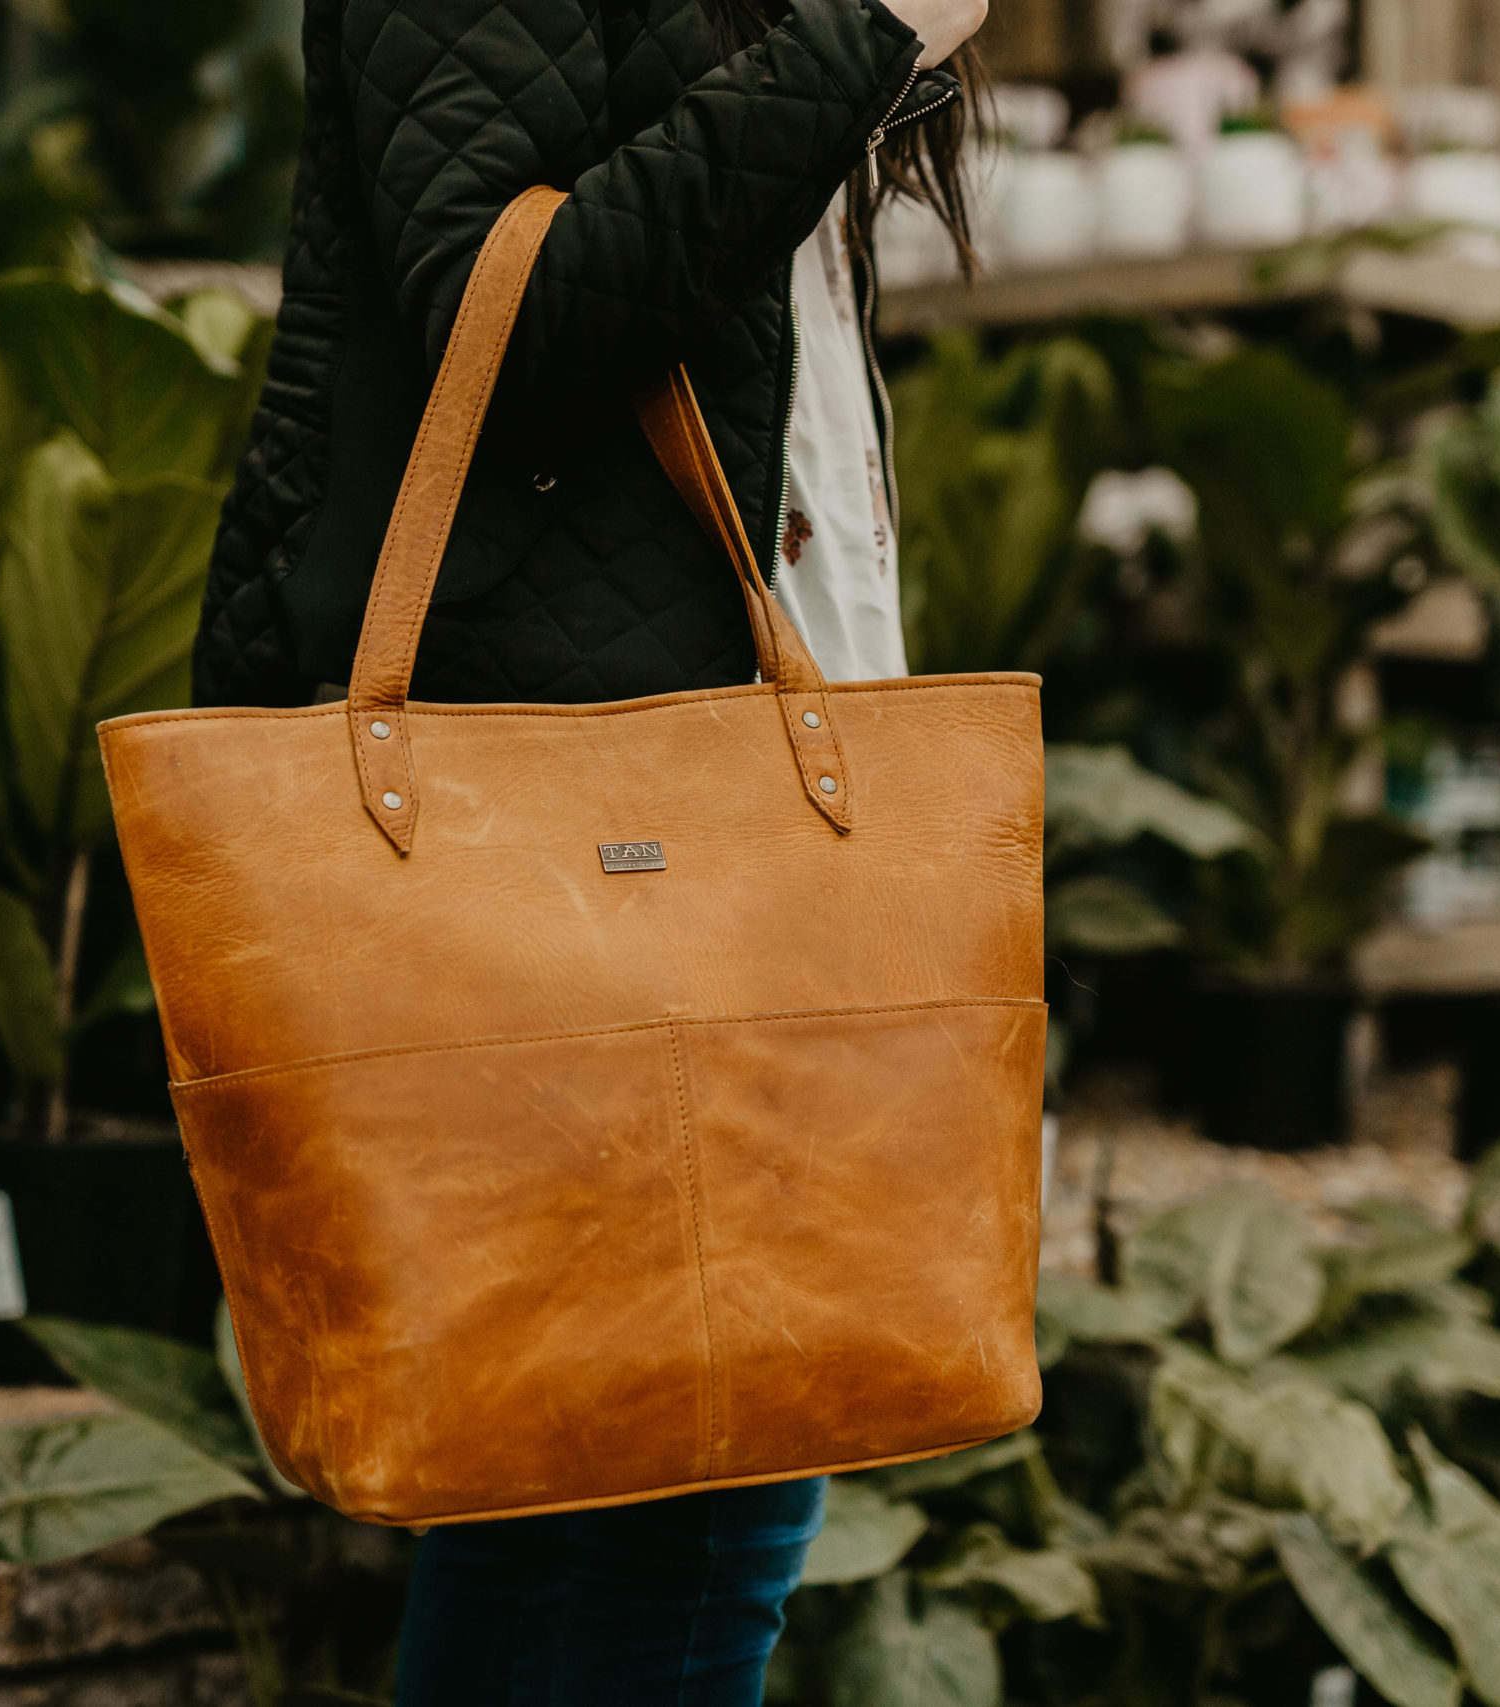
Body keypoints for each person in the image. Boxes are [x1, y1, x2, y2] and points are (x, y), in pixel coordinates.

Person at [189, 0, 989, 1698]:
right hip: (598, 791)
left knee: (581, 1487)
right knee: (685, 1511)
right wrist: (870, 35)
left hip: (750, 753)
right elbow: (512, 310)